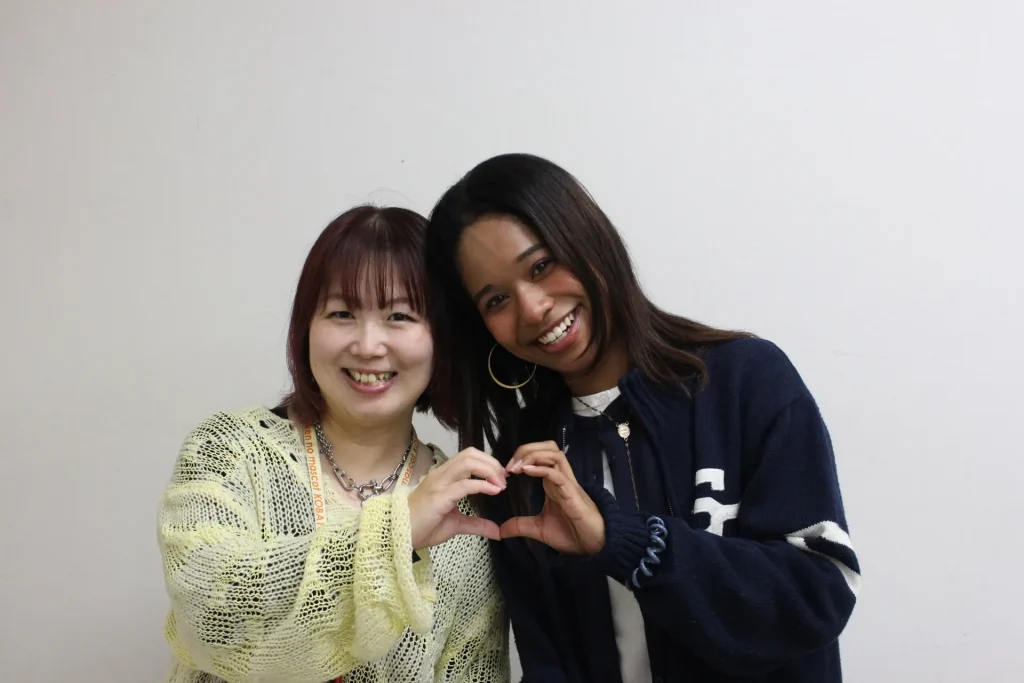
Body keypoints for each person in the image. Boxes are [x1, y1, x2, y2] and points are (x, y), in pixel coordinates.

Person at [424, 154, 860, 683]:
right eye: (497, 299)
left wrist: (629, 542)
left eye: (541, 266)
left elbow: (819, 592)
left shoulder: (744, 380)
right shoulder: (520, 467)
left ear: (586, 237)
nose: (533, 308)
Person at [157, 206, 510, 683]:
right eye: (342, 313)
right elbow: (207, 617)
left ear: (443, 338)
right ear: (306, 327)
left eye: (400, 315)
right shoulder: (228, 450)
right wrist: (398, 531)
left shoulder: (463, 512)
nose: (367, 345)